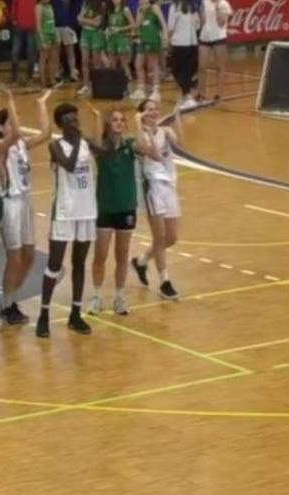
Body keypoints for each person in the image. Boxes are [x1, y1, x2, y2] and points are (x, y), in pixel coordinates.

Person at [0, 89, 52, 325]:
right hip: (9, 203)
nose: (16, 127)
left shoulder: (21, 145)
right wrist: (10, 100)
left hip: (26, 201)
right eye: (9, 123)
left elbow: (46, 133)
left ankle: (10, 299)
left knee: (28, 255)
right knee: (14, 258)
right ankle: (7, 305)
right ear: (0, 128)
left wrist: (41, 104)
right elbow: (15, 132)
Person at [35, 103, 96, 338]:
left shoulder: (86, 143)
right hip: (63, 211)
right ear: (62, 125)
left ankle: (75, 314)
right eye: (70, 121)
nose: (75, 124)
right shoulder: (55, 145)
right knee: (55, 264)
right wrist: (82, 141)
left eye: (76, 119)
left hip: (86, 210)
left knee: (80, 263)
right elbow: (69, 166)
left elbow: (107, 150)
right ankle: (44, 315)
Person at [87, 106, 141, 316]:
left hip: (126, 207)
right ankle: (97, 296)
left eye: (122, 120)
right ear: (109, 125)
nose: (119, 122)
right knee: (100, 255)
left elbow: (145, 147)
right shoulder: (103, 148)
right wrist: (98, 118)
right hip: (104, 208)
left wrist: (138, 121)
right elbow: (95, 141)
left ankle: (119, 296)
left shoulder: (130, 146)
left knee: (122, 255)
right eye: (115, 120)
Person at [131, 100, 184, 300]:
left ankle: (141, 261)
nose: (153, 112)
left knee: (171, 237)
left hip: (169, 185)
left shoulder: (165, 132)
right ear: (141, 113)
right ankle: (165, 281)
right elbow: (147, 150)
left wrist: (177, 118)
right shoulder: (137, 136)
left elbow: (181, 147)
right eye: (148, 109)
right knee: (159, 237)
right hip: (151, 187)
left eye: (156, 108)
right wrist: (138, 123)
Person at [168, 0, 201, 109]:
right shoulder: (189, 6)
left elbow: (170, 27)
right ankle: (186, 95)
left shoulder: (177, 6)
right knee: (184, 70)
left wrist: (168, 40)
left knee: (180, 70)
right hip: (189, 44)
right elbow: (197, 25)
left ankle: (188, 96)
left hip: (180, 43)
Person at [133, 0, 168, 101]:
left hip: (152, 39)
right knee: (138, 64)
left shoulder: (155, 8)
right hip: (142, 39)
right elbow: (137, 25)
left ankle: (156, 90)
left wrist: (165, 38)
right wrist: (141, 13)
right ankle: (141, 89)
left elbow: (163, 23)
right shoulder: (140, 9)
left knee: (153, 65)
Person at [198, 0, 231, 103]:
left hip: (219, 37)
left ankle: (219, 94)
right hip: (205, 37)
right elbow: (202, 20)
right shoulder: (203, 2)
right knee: (202, 67)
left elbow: (221, 23)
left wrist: (217, 8)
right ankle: (201, 94)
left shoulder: (223, 4)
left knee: (220, 67)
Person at [77, 0, 109, 96]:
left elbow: (97, 23)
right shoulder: (85, 3)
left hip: (96, 33)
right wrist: (87, 21)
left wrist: (83, 20)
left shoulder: (102, 4)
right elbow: (78, 20)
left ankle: (96, 85)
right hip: (85, 34)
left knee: (96, 62)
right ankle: (86, 85)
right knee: (84, 61)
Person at [9, 0, 37, 86]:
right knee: (15, 52)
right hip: (19, 26)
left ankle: (30, 78)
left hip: (32, 26)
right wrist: (13, 18)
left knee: (31, 54)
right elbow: (14, 5)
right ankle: (14, 79)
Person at [51, 0, 80, 83]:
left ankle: (72, 73)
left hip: (69, 25)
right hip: (56, 26)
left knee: (70, 51)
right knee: (55, 51)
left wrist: (73, 23)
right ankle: (56, 73)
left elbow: (77, 10)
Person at [35, 0, 58, 88]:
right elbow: (38, 25)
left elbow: (52, 21)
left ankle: (52, 80)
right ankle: (43, 83)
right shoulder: (39, 7)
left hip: (52, 34)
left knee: (52, 58)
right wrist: (42, 40)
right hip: (44, 35)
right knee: (43, 59)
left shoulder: (50, 6)